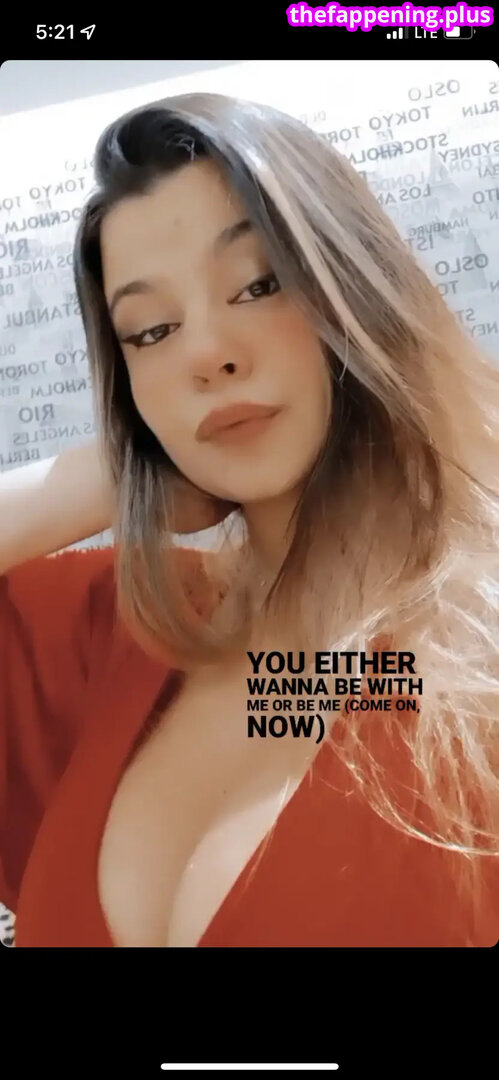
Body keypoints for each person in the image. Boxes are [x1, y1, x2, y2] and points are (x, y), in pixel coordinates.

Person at [1, 91, 498, 947]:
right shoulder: (105, 637)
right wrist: (108, 471)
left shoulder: (476, 654)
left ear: (356, 284)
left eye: (259, 285)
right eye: (149, 331)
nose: (204, 354)